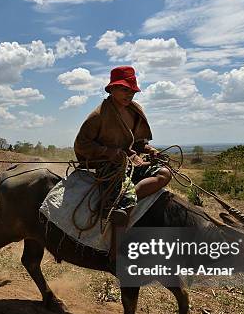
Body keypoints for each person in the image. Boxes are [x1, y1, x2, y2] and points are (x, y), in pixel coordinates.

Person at [74, 66, 172, 230]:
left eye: (132, 90)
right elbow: (82, 144)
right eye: (124, 89)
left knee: (165, 173)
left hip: (131, 162)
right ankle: (114, 251)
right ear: (112, 89)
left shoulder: (135, 111)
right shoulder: (98, 116)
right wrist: (109, 152)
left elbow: (138, 142)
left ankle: (126, 198)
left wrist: (150, 150)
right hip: (108, 165)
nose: (130, 94)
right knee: (125, 204)